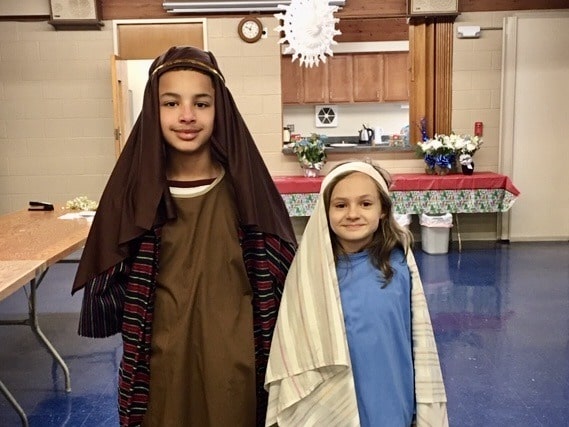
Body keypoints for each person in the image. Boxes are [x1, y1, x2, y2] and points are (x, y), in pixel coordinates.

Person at [71, 46, 297, 427]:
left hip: (236, 364)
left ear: (220, 110)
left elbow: (283, 275)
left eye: (201, 103)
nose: (187, 115)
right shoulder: (136, 199)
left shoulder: (245, 194)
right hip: (159, 363)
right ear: (153, 110)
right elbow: (113, 275)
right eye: (171, 103)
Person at [265, 160, 448, 426]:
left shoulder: (399, 265)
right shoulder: (310, 271)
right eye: (340, 205)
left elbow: (416, 338)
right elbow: (296, 345)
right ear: (324, 211)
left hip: (389, 394)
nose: (352, 214)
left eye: (365, 203)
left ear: (383, 209)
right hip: (330, 400)